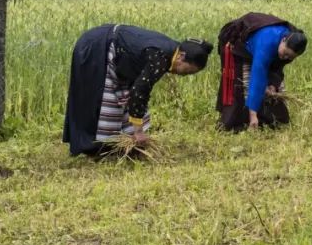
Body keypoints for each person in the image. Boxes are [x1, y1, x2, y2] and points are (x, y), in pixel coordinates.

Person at [63, 24, 212, 156]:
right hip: (97, 47)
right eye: (187, 71)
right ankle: (92, 146)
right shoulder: (160, 56)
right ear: (181, 56)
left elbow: (139, 89)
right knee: (99, 99)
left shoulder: (171, 51)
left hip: (116, 52)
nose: (185, 75)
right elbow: (140, 92)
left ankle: (120, 141)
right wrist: (139, 131)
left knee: (125, 95)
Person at [215, 12, 307, 131]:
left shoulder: (293, 37)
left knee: (274, 87)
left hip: (265, 47)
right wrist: (253, 116)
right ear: (283, 40)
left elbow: (277, 66)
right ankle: (243, 122)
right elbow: (257, 80)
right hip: (237, 44)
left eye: (290, 57)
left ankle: (270, 119)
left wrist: (273, 84)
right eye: (285, 54)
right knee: (241, 83)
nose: (285, 58)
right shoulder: (266, 44)